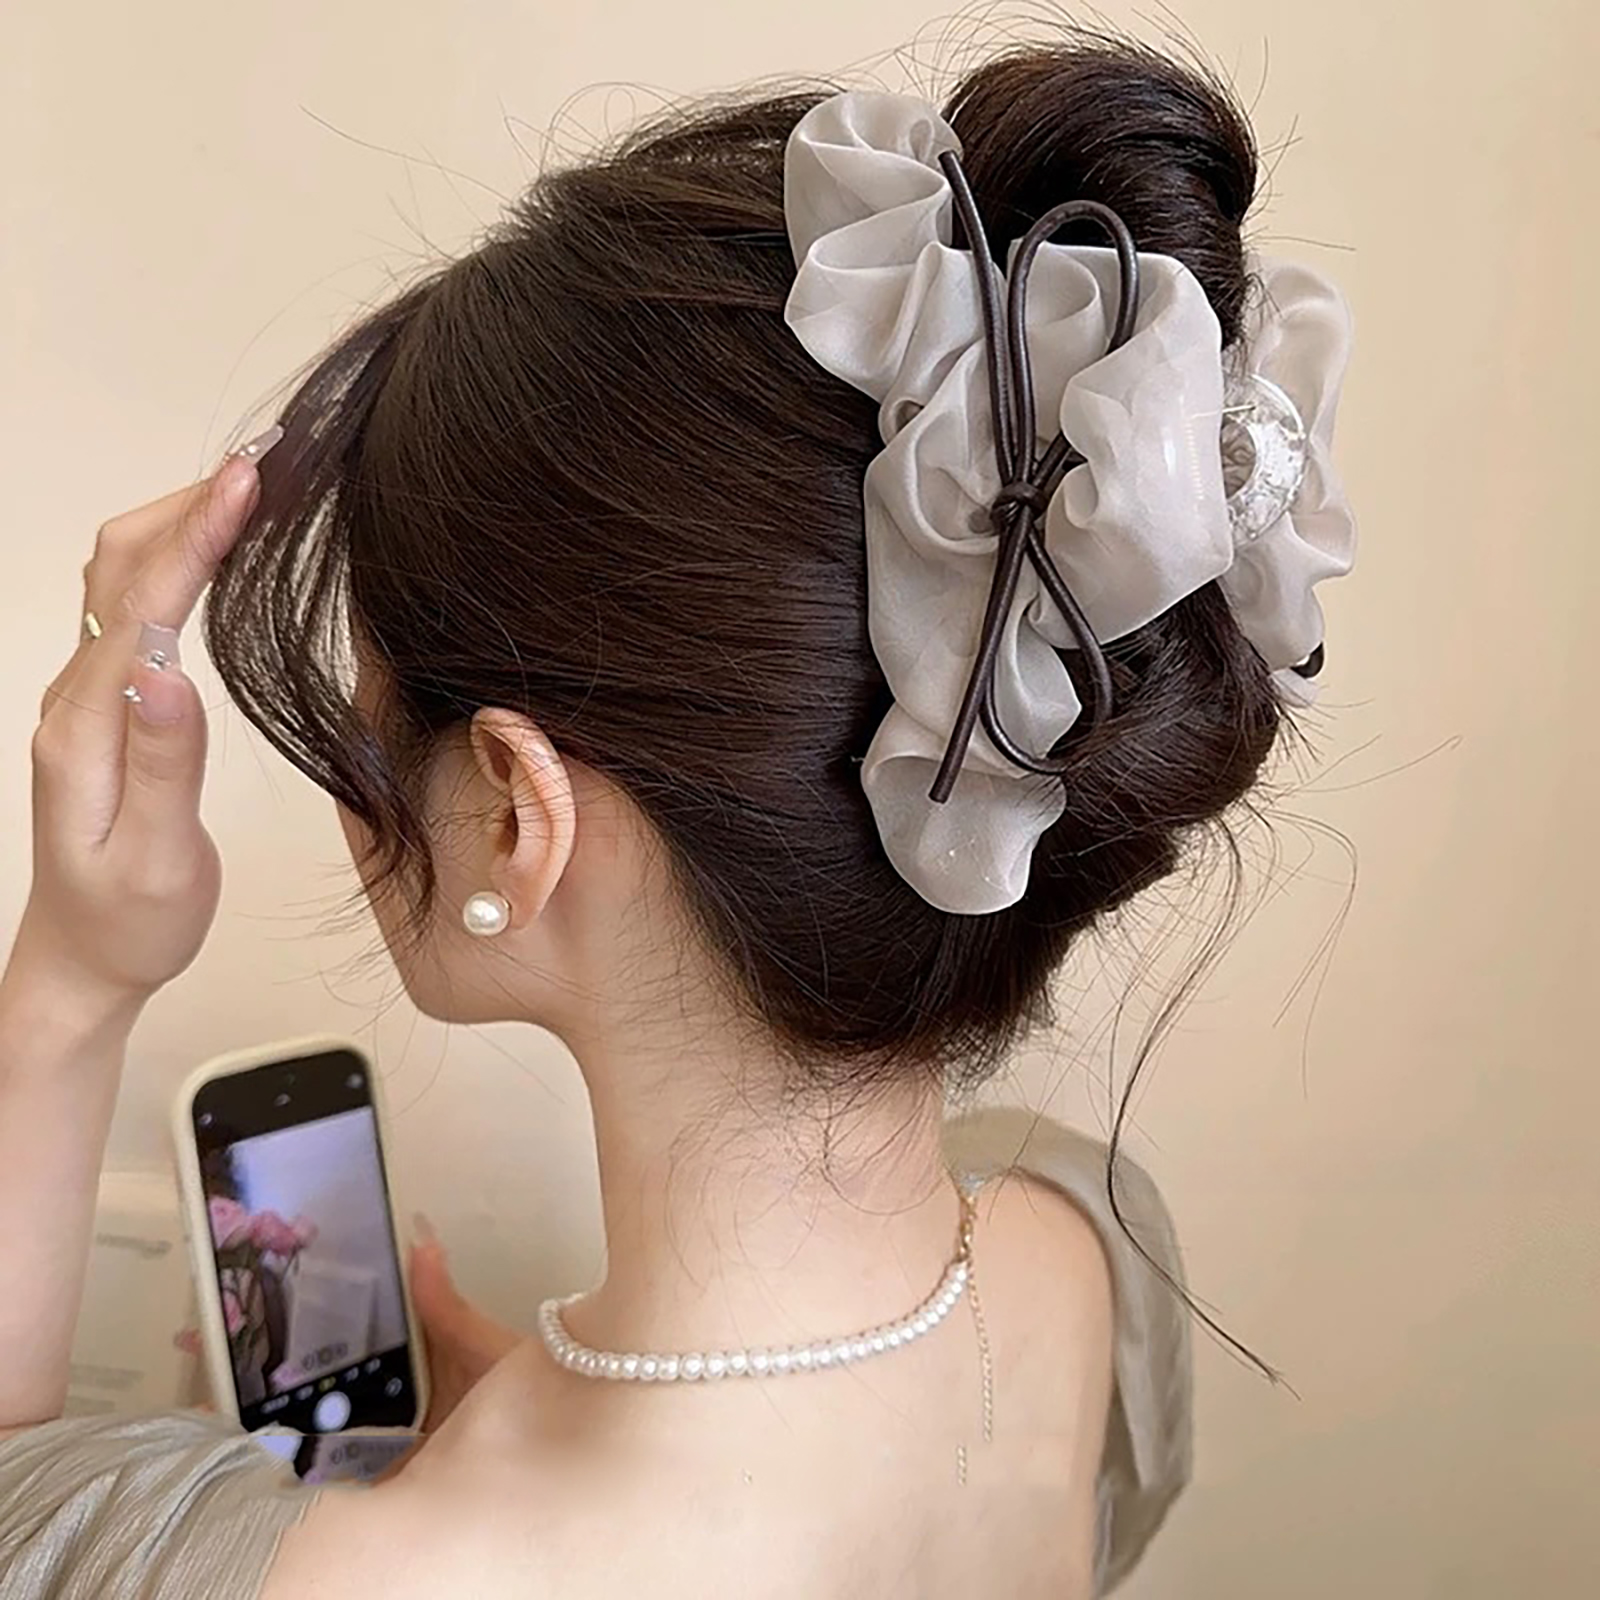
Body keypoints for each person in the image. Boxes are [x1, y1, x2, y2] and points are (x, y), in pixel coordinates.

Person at [0, 30, 1355, 1600]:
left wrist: (72, 984)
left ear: (515, 814)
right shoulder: (1084, 1248)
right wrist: (516, 1416)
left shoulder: (351, 1575)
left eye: (369, 721)